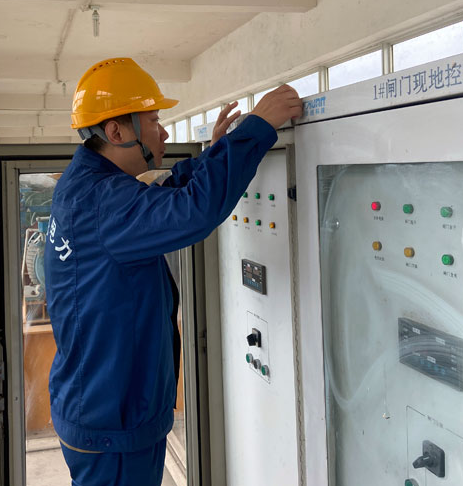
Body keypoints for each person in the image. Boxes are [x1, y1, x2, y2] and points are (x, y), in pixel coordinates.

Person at [44, 57, 302, 485]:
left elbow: (163, 197)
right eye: (154, 120)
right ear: (117, 132)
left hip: (98, 405)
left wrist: (219, 152)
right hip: (112, 422)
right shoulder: (104, 202)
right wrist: (258, 127)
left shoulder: (85, 186)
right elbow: (193, 210)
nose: (163, 133)